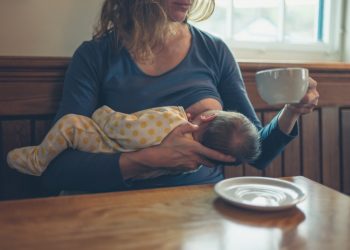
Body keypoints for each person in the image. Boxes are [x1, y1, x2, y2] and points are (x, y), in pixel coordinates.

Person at [40, 0, 319, 193]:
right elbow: (58, 169)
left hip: (201, 206)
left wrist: (292, 110)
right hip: (119, 207)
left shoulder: (214, 51)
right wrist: (149, 159)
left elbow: (258, 152)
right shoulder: (95, 56)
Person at [7, 105, 261, 178]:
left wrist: (102, 113)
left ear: (207, 116)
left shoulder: (168, 121)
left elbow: (125, 129)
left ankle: (37, 161)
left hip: (103, 143)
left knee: (71, 123)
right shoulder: (193, 163)